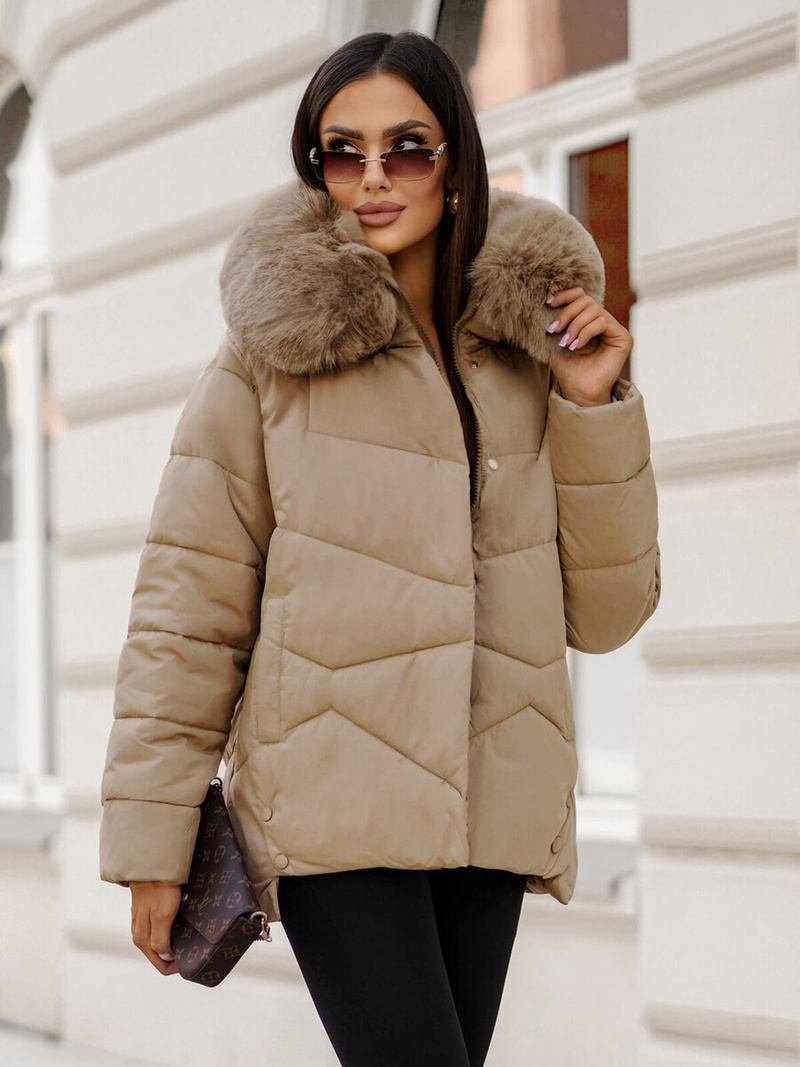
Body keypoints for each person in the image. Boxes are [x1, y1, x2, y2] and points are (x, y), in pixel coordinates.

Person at [99, 29, 660, 1067]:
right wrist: (152, 839)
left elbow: (606, 613)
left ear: (456, 165)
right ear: (314, 169)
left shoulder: (528, 353)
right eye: (340, 151)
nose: (372, 178)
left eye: (405, 148)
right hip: (333, 808)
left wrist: (593, 407)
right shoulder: (268, 359)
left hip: (493, 806)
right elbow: (187, 609)